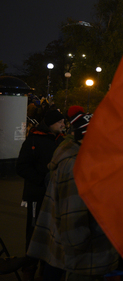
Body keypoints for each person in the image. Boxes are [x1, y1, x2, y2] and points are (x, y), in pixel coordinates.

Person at [27, 112, 119, 280]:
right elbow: (74, 221)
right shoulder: (79, 166)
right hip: (86, 257)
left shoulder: (71, 156)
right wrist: (83, 248)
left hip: (68, 249)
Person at [16, 109, 65, 280]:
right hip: (37, 195)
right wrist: (41, 180)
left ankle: (45, 264)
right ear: (51, 123)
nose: (63, 125)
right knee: (34, 231)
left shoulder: (60, 140)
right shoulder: (34, 140)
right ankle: (30, 267)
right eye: (60, 122)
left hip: (53, 196)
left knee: (50, 231)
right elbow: (21, 166)